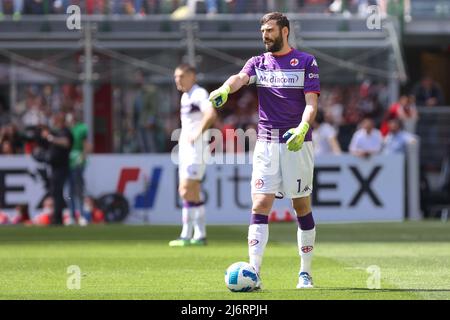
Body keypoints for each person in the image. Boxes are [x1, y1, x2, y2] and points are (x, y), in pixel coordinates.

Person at [209, 12, 320, 289]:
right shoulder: (258, 62)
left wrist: (303, 127)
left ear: (285, 31)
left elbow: (311, 103)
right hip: (266, 144)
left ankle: (305, 272)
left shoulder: (306, 62)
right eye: (262, 30)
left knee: (300, 205)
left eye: (270, 30)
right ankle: (254, 272)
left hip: (297, 143)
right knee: (260, 204)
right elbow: (240, 78)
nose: (265, 34)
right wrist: (225, 87)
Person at [169, 63, 217, 247]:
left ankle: (186, 234)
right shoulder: (185, 96)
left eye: (181, 76)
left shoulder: (198, 93)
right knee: (193, 192)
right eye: (176, 76)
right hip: (187, 149)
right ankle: (200, 235)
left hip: (196, 149)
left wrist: (198, 133)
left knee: (185, 189)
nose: (177, 80)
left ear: (192, 76)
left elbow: (211, 113)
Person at [41, 112, 73, 225]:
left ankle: (58, 218)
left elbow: (66, 142)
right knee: (55, 192)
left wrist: (50, 138)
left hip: (62, 167)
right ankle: (56, 217)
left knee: (59, 192)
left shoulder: (65, 132)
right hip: (54, 167)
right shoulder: (56, 133)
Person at [67, 112, 91, 225]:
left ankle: (81, 214)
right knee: (69, 191)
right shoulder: (65, 129)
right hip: (67, 163)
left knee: (78, 190)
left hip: (77, 162)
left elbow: (87, 146)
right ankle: (71, 215)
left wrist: (82, 157)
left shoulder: (81, 129)